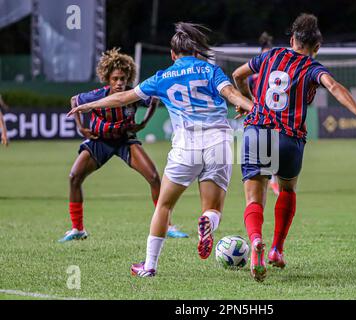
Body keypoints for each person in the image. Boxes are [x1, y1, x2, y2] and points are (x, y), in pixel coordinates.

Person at [67, 22, 254, 277]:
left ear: (173, 54)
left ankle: (149, 266)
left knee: (164, 206)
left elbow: (124, 97)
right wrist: (254, 108)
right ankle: (207, 223)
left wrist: (90, 106)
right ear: (196, 51)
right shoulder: (210, 69)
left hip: (186, 145)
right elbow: (231, 93)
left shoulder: (162, 77)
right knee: (213, 208)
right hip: (218, 142)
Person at [233, 13, 356, 282]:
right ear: (316, 47)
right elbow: (334, 86)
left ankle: (256, 239)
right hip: (289, 137)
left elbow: (238, 74)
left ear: (292, 39)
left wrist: (248, 100)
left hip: (256, 131)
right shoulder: (312, 67)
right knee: (287, 188)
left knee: (253, 198)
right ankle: (276, 250)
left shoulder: (269, 56)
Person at [59, 48, 187, 242]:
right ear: (107, 78)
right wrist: (82, 129)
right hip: (99, 142)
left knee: (153, 177)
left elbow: (153, 100)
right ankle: (78, 229)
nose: (119, 83)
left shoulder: (133, 95)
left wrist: (143, 123)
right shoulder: (97, 95)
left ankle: (167, 226)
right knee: (74, 177)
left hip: (124, 141)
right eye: (115, 79)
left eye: (123, 79)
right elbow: (74, 101)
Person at [247, 32, 280, 196]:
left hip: (273, 114)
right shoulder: (253, 77)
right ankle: (258, 181)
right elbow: (246, 88)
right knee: (257, 150)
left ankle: (272, 181)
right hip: (257, 114)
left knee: (273, 148)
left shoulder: (277, 74)